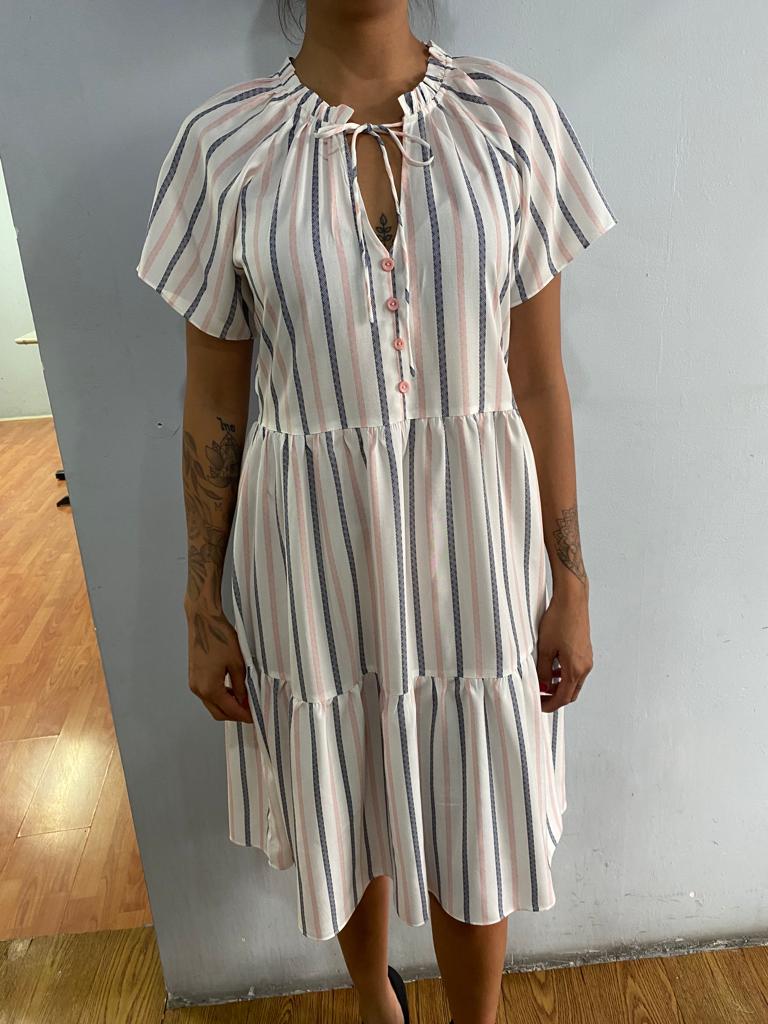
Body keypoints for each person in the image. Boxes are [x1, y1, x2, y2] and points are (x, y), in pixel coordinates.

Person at [136, 2, 617, 1021]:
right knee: (341, 769)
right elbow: (214, 397)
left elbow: (538, 379)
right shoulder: (223, 147)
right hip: (307, 542)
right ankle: (374, 1000)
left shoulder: (509, 120)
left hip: (478, 540)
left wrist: (571, 581)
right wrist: (200, 601)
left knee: (477, 790)